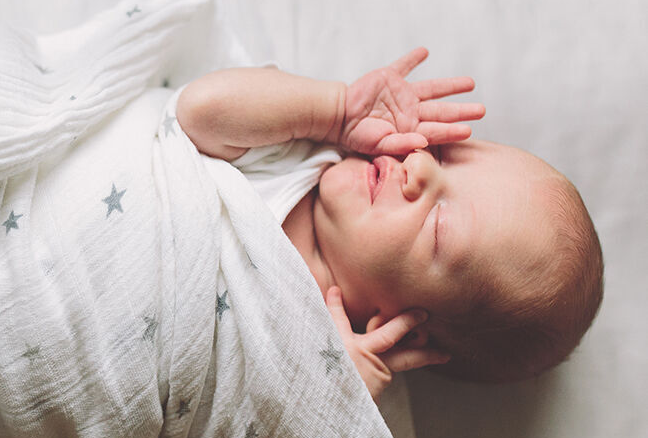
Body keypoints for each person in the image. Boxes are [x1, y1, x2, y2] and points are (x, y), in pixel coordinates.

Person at [175, 47, 604, 399]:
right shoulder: (296, 151)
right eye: (441, 154)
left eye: (438, 222)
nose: (418, 165)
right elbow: (198, 111)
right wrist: (335, 111)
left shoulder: (321, 363)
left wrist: (332, 398)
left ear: (406, 334)